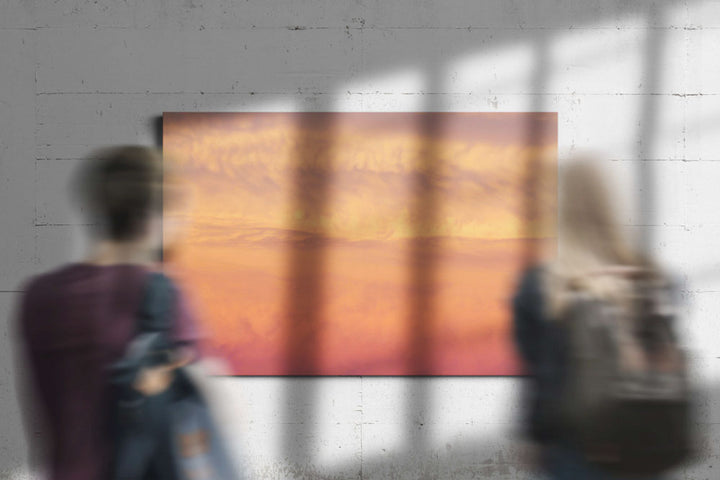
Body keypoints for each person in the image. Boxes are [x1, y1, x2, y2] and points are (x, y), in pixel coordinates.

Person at [16, 146, 201, 480]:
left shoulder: (37, 295)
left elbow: (42, 422)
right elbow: (194, 424)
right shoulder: (162, 294)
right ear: (151, 218)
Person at [512, 157, 672, 480]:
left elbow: (541, 376)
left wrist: (533, 436)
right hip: (643, 442)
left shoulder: (541, 285)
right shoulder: (650, 278)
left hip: (574, 448)